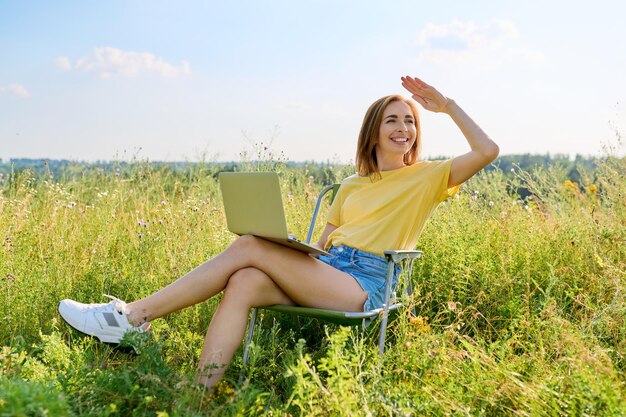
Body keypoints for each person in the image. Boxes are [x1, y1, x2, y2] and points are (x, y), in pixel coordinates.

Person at [58, 75, 499, 390]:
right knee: (245, 279)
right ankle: (198, 395)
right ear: (373, 133)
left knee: (250, 244)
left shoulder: (428, 177)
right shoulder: (350, 186)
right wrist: (301, 254)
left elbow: (487, 150)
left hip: (367, 282)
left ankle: (133, 317)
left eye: (410, 121)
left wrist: (447, 106)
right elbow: (325, 244)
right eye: (392, 121)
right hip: (329, 271)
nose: (403, 128)